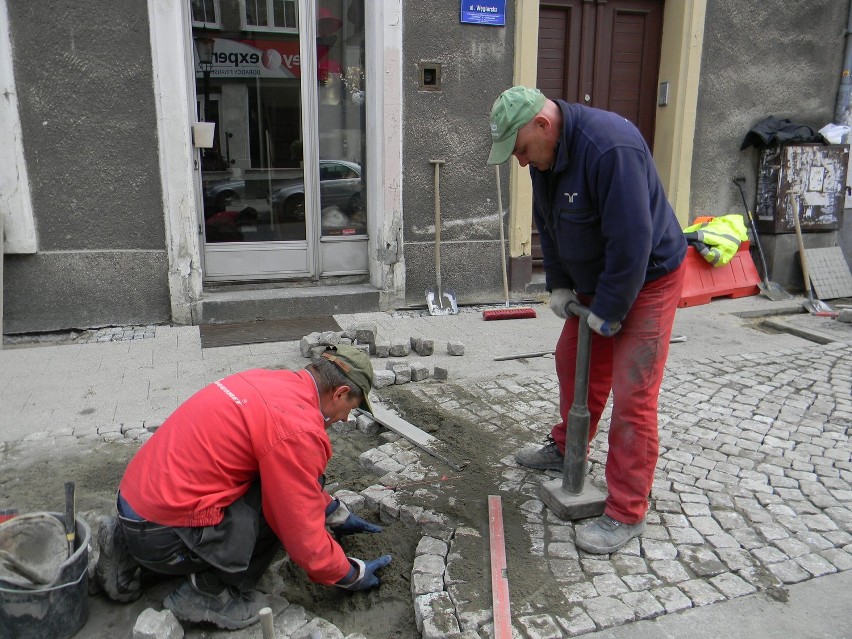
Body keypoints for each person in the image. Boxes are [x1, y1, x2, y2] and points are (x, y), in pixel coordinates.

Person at [487, 86, 687, 554]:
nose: (518, 161)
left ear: (542, 124)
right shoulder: (545, 158)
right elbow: (550, 223)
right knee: (571, 360)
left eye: (519, 149)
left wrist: (612, 312)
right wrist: (559, 282)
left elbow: (633, 241)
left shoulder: (609, 147)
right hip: (598, 279)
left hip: (648, 278)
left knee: (633, 395)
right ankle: (567, 449)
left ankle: (626, 511)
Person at [94, 345, 392, 630]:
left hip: (138, 503)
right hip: (160, 532)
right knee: (276, 510)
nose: (344, 418)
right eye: (349, 408)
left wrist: (335, 513)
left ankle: (126, 548)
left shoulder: (272, 381)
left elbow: (294, 475)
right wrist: (351, 574)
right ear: (340, 392)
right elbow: (301, 534)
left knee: (279, 481)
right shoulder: (297, 427)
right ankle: (208, 594)